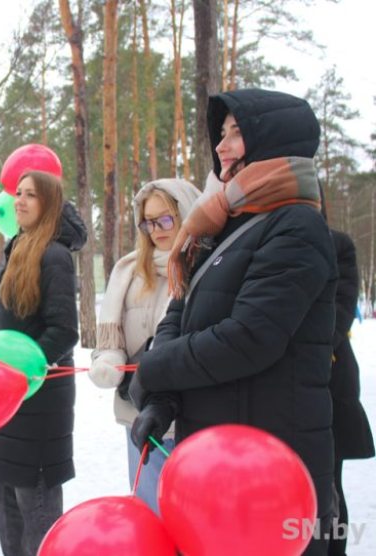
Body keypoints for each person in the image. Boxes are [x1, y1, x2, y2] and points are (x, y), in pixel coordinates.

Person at [129, 88, 337, 555]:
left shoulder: (296, 226)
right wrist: (162, 399)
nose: (221, 146)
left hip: (268, 473)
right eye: (220, 134)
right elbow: (179, 314)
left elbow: (249, 339)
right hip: (211, 467)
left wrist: (154, 370)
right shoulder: (221, 223)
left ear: (275, 140)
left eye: (237, 133)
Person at [0, 170, 86, 556]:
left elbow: (64, 331)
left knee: (39, 526)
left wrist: (22, 372)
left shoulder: (54, 254)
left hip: (38, 408)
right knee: (7, 518)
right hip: (4, 407)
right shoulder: (19, 246)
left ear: (49, 204)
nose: (20, 201)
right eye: (18, 193)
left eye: (31, 195)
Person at [88, 178, 200, 514]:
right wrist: (108, 361)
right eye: (149, 222)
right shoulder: (129, 272)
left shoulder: (204, 268)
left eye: (166, 219)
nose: (157, 230)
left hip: (190, 417)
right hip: (138, 414)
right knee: (150, 511)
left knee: (188, 517)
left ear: (186, 213)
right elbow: (112, 337)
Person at [327, 228, 374, 555]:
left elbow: (340, 315)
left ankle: (335, 549)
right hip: (282, 392)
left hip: (331, 384)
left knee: (331, 485)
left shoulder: (337, 244)